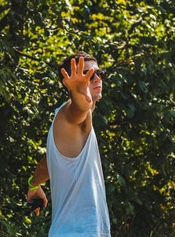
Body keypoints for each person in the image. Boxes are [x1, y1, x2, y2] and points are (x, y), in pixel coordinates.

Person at [26, 51, 111, 237]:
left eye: (99, 73)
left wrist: (34, 185)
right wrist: (79, 92)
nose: (96, 79)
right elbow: (79, 108)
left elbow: (47, 162)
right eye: (87, 75)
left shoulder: (65, 126)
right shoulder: (72, 115)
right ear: (68, 83)